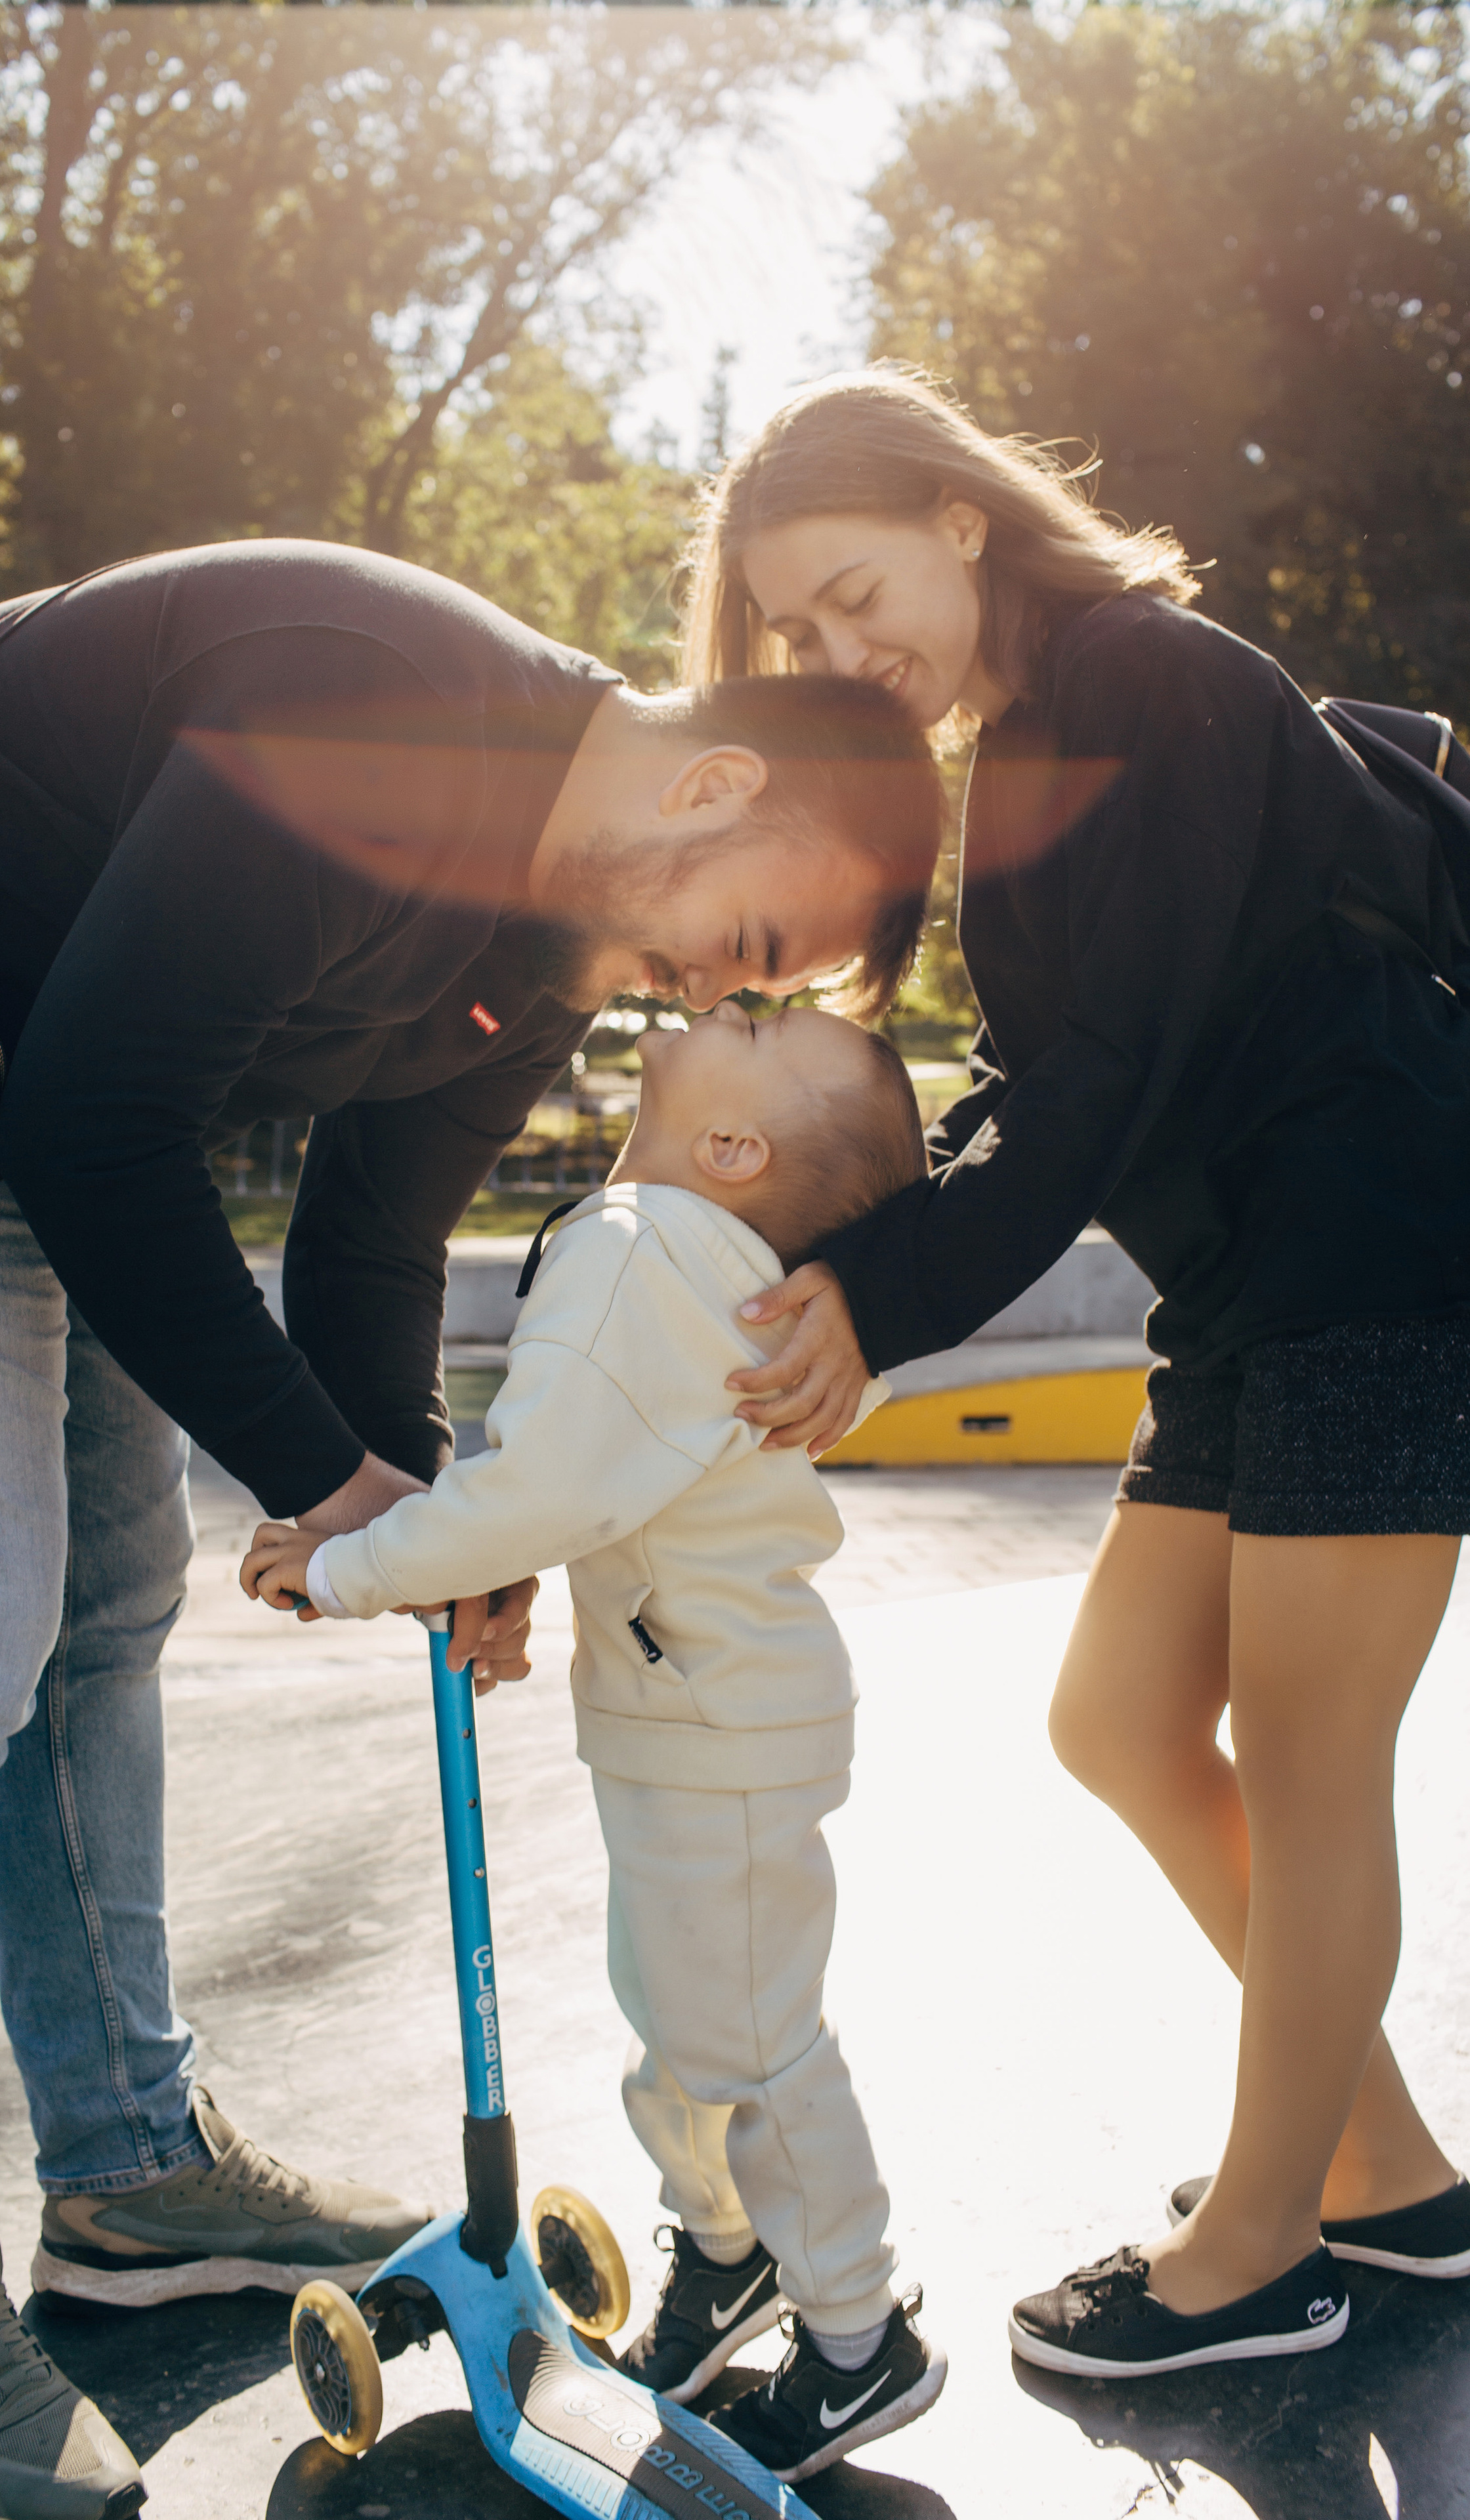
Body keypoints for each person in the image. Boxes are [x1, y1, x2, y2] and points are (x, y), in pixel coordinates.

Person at [0, 539, 936, 2519]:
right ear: (711, 786)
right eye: (749, 944)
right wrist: (331, 1493)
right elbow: (101, 1122)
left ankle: (130, 2169)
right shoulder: (379, 704)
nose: (718, 993)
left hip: (23, 1101)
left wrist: (442, 1512)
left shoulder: (541, 958)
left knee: (103, 1616)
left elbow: (373, 1233)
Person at [681, 368, 1470, 2379]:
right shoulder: (1030, 737)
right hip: (1249, 1283)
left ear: (959, 516)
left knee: (1307, 1768)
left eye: (861, 596)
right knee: (1122, 1719)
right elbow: (1048, 1082)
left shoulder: (1150, 674)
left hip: (1387, 1252)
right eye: (805, 637)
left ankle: (1259, 2248)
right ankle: (1389, 2177)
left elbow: (1105, 1067)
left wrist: (888, 1297)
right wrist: (855, 1249)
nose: (850, 659)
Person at [243, 995, 947, 2483]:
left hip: (717, 1725)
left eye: (762, 1022)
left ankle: (854, 2341)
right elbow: (579, 1479)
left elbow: (541, 1489)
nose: (736, 993)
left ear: (733, 1140)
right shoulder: (672, 1252)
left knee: (750, 2045)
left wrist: (352, 1562)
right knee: (680, 2025)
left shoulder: (650, 1254)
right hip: (687, 1710)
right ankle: (729, 2252)